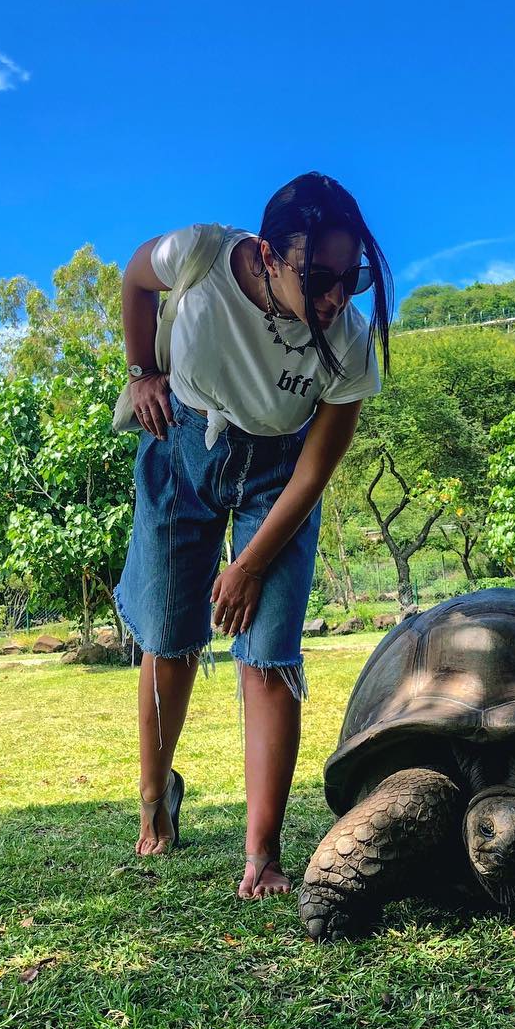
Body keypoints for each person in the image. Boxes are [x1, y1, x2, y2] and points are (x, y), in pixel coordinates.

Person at [115, 172, 391, 899]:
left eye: (351, 277)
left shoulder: (352, 341)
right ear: (269, 256)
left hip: (278, 477)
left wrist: (249, 566)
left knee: (267, 654)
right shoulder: (200, 254)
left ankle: (261, 854)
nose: (336, 296)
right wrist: (142, 372)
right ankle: (154, 799)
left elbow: (313, 474)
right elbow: (133, 280)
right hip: (180, 447)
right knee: (169, 642)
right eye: (320, 277)